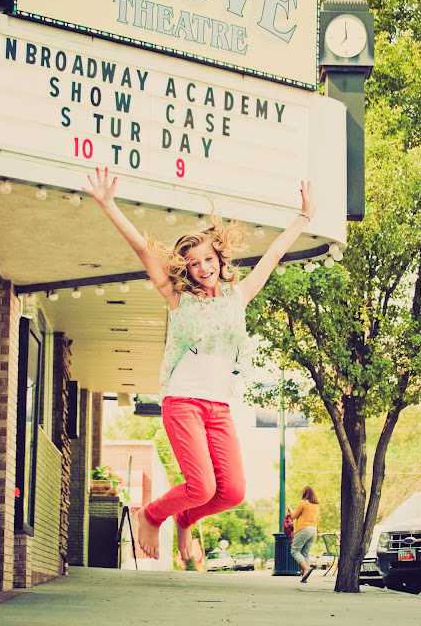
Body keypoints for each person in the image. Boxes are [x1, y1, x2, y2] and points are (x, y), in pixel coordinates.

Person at [83, 167, 317, 561]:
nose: (203, 266)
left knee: (233, 492)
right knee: (202, 485)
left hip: (219, 408)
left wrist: (305, 216)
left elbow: (274, 254)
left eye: (208, 258)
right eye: (193, 263)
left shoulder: (238, 296)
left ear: (219, 259)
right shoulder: (179, 299)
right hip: (182, 403)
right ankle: (151, 515)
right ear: (186, 270)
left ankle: (186, 517)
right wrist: (109, 204)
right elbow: (143, 250)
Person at [287, 485, 320, 582]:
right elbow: (317, 519)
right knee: (305, 553)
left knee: (295, 551)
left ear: (305, 493)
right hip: (313, 530)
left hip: (303, 529)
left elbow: (293, 516)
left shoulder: (302, 503)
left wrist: (290, 508)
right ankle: (305, 577)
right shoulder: (316, 505)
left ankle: (306, 568)